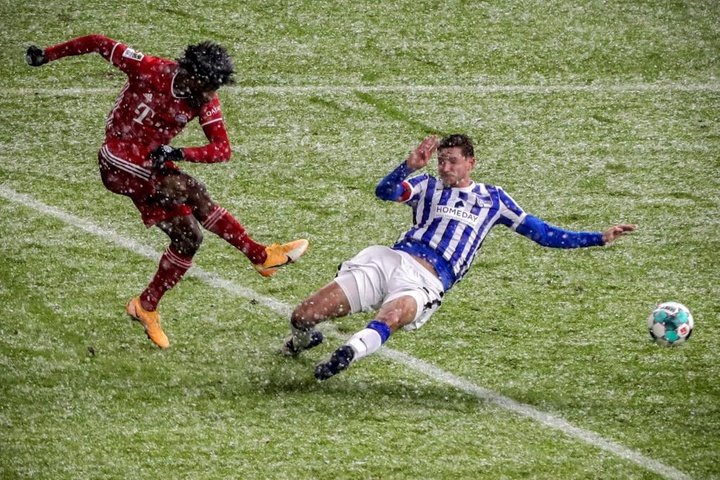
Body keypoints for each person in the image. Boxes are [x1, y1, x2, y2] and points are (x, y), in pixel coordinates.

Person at [26, 35, 308, 349]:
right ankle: (260, 255)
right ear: (190, 75)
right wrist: (47, 55)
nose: (211, 95)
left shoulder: (204, 99)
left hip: (151, 167)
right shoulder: (149, 69)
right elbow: (97, 43)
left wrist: (178, 153)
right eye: (208, 87)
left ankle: (146, 306)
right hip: (117, 160)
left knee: (189, 238)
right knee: (191, 189)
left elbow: (222, 150)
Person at [282, 134, 636, 380]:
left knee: (392, 315)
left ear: (471, 163)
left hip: (427, 280)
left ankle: (348, 353)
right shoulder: (426, 186)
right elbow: (384, 192)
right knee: (303, 316)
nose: (444, 167)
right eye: (441, 161)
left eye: (452, 161)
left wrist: (598, 238)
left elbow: (542, 234)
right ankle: (305, 339)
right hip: (389, 260)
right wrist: (408, 166)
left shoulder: (493, 199)